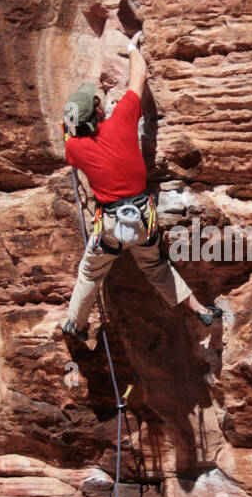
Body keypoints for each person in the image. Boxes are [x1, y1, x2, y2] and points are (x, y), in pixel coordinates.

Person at [61, 34, 222, 345]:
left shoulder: (76, 149)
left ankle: (76, 325)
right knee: (156, 267)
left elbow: (67, 135)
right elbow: (139, 78)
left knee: (91, 273)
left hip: (109, 225)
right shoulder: (121, 119)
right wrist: (133, 49)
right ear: (98, 112)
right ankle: (200, 308)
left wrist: (70, 124)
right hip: (143, 219)